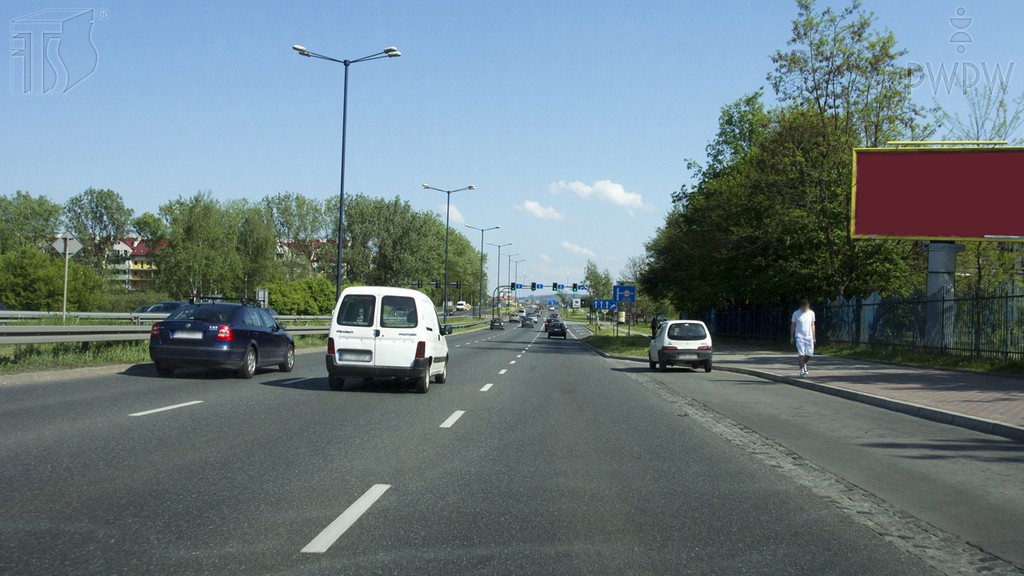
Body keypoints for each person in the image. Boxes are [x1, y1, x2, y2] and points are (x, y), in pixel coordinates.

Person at [790, 300, 816, 377]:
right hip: (799, 336)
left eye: (806, 307)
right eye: (804, 307)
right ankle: (802, 370)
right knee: (801, 354)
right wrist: (792, 336)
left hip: (809, 336)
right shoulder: (796, 313)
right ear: (801, 307)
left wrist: (814, 337)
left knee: (809, 354)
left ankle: (804, 364)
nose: (805, 308)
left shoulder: (811, 313)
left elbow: (812, 325)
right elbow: (793, 325)